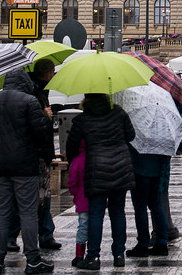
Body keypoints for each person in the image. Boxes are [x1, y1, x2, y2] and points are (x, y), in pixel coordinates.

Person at [0, 68, 53, 275]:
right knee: (28, 212)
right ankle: (32, 258)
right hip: (25, 166)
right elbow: (42, 134)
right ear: (24, 83)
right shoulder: (30, 102)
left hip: (0, 166)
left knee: (2, 213)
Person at [65, 93, 135, 270]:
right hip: (120, 166)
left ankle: (93, 257)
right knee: (118, 213)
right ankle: (119, 255)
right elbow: (131, 135)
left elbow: (71, 146)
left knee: (96, 214)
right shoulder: (119, 112)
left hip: (96, 168)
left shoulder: (82, 120)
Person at [8, 60, 61, 253]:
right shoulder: (32, 95)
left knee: (42, 196)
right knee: (30, 197)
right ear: (47, 74)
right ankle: (20, 238)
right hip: (33, 153)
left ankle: (44, 234)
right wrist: (44, 116)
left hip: (30, 154)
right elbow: (33, 126)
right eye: (53, 72)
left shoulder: (37, 91)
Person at [127, 134, 170, 258]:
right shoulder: (161, 124)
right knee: (156, 205)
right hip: (156, 168)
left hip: (139, 168)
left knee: (140, 208)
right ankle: (162, 243)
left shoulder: (138, 121)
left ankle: (143, 244)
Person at [67, 141, 90, 268]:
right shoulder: (95, 158)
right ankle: (92, 252)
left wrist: (75, 194)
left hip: (82, 201)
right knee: (94, 227)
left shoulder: (76, 161)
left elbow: (72, 182)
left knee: (82, 227)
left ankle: (79, 254)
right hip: (97, 201)